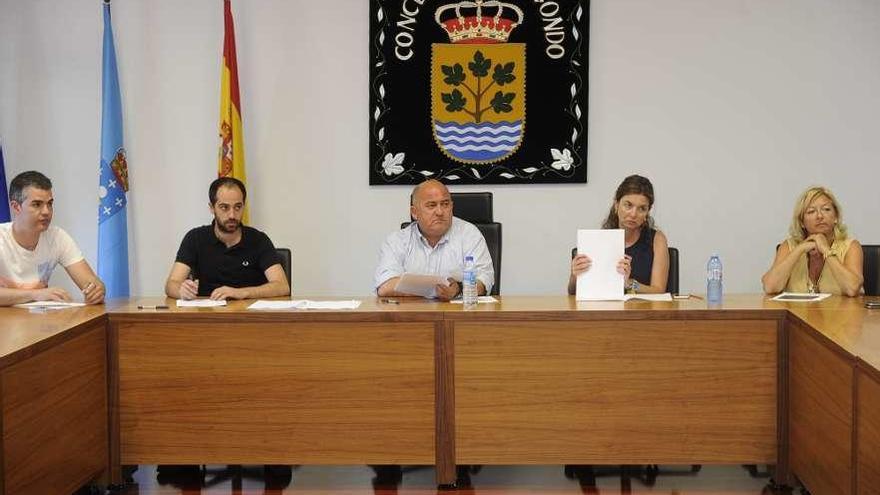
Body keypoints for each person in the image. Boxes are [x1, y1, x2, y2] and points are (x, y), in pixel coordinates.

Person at [164, 177, 289, 300]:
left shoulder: (258, 240)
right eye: (224, 207)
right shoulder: (195, 238)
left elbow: (282, 286)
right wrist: (181, 291)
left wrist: (242, 293)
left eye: (238, 207)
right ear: (212, 208)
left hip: (248, 316)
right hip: (207, 315)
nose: (232, 215)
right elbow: (171, 284)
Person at [375, 179, 494, 300]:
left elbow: (485, 280)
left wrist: (458, 289)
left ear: (452, 207)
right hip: (412, 315)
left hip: (459, 316)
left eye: (445, 204)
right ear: (414, 213)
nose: (440, 212)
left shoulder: (469, 234)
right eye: (431, 205)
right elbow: (385, 286)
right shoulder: (397, 241)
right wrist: (435, 291)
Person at [0, 171, 105, 306]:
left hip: (39, 321)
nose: (46, 212)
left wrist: (97, 291)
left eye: (49, 204)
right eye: (37, 204)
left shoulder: (57, 237)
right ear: (16, 207)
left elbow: (92, 283)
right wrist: (36, 294)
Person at [568, 174, 669, 295]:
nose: (633, 214)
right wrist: (575, 275)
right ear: (616, 205)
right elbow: (572, 292)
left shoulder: (657, 239)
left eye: (642, 208)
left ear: (647, 212)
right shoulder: (598, 241)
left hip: (644, 311)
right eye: (628, 205)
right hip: (607, 311)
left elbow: (659, 290)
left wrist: (629, 284)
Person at [762, 186, 863, 296]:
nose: (820, 216)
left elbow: (852, 288)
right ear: (801, 222)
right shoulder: (788, 246)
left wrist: (826, 250)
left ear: (836, 217)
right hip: (796, 312)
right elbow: (770, 287)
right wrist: (800, 249)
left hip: (840, 313)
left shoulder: (851, 246)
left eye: (826, 209)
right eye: (811, 211)